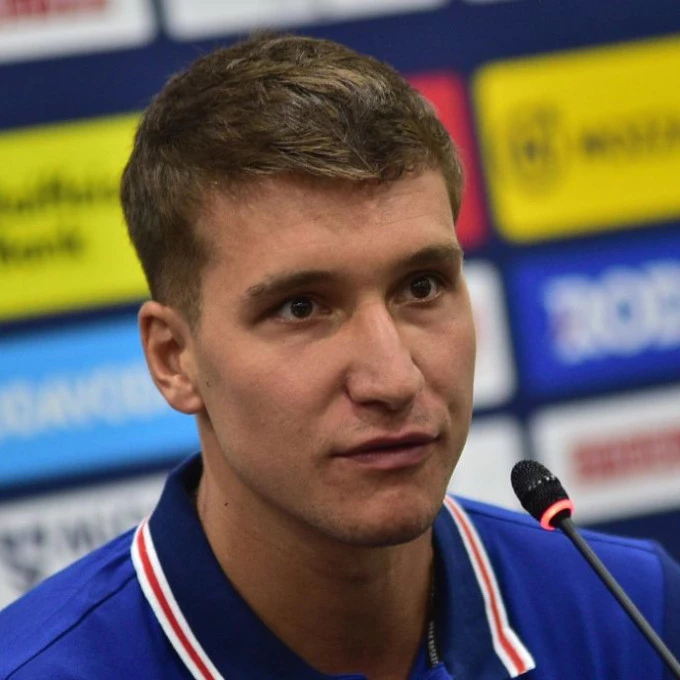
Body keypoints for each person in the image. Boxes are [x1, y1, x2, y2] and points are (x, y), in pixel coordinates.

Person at [1, 33, 679, 680]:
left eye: (422, 287)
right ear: (174, 358)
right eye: (301, 307)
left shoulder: (631, 612)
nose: (394, 379)